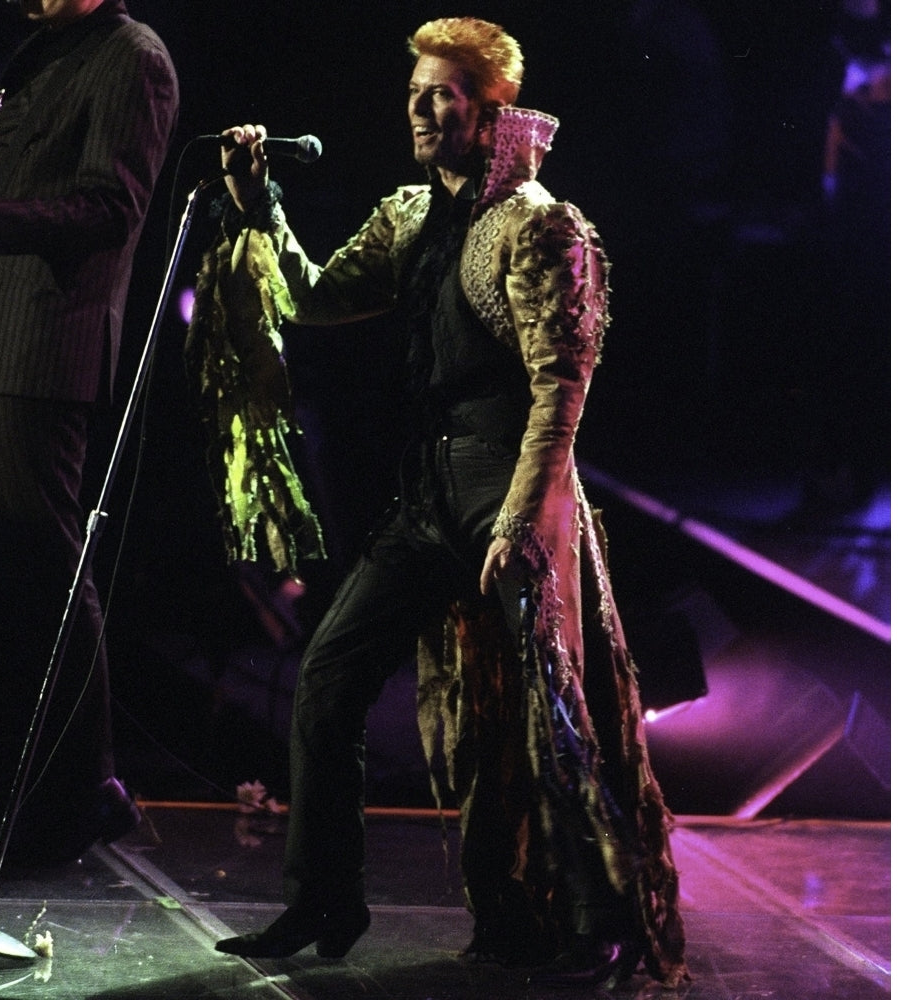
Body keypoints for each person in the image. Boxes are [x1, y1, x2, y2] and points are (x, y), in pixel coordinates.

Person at [185, 16, 688, 989]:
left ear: (490, 108)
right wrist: (258, 204)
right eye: (415, 90)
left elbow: (561, 383)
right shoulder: (409, 215)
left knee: (555, 712)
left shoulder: (540, 221)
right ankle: (324, 897)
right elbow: (310, 298)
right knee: (328, 675)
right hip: (427, 496)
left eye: (442, 92)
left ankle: (601, 916)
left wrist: (524, 515)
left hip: (512, 488)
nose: (419, 107)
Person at [0, 0, 179, 867]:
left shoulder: (133, 57)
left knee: (42, 583)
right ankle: (26, 802)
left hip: (40, 346)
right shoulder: (39, 50)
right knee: (1, 590)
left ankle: (79, 796)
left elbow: (114, 207)